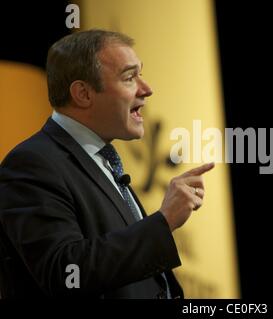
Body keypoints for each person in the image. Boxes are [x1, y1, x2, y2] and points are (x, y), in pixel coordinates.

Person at [0, 29, 214, 299]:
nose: (147, 89)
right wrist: (164, 220)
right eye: (129, 77)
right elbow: (66, 273)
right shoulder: (32, 163)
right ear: (83, 94)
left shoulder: (103, 160)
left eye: (141, 74)